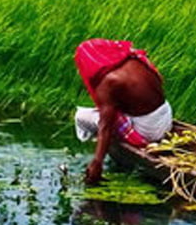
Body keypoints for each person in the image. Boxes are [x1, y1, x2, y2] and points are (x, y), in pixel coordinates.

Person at [73, 38, 172, 185]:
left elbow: (105, 126)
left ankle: (107, 146)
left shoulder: (109, 81)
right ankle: (109, 143)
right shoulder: (134, 59)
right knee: (110, 110)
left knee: (82, 116)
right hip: (166, 118)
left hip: (149, 131)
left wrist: (97, 163)